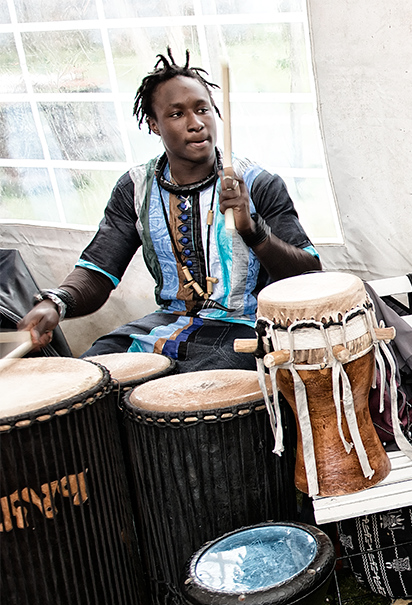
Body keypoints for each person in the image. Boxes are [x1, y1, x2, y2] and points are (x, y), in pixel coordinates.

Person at [18, 49, 320, 372]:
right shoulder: (134, 189)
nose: (196, 124)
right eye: (177, 114)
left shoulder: (257, 184)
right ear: (153, 124)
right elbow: (98, 270)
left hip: (244, 328)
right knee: (90, 372)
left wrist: (254, 231)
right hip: (165, 325)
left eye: (202, 109)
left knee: (206, 391)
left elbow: (310, 274)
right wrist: (56, 304)